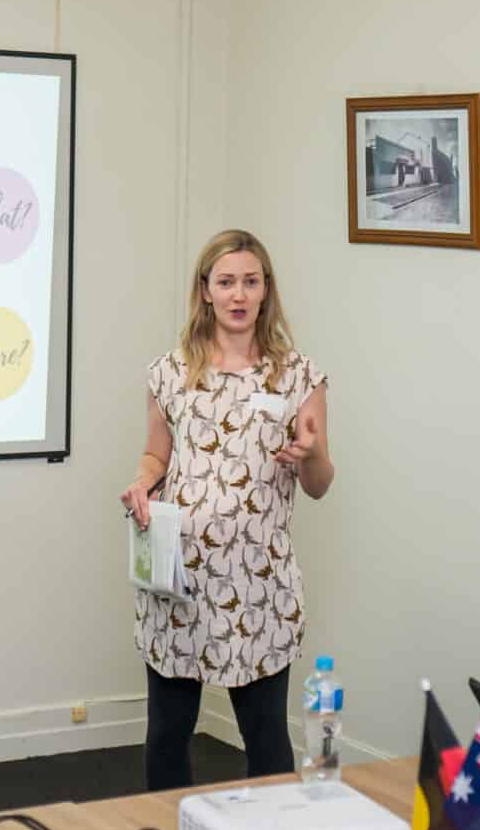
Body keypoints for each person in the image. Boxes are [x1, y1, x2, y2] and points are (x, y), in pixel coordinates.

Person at [122, 229, 332, 791]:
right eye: (226, 282)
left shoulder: (298, 376)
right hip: (178, 581)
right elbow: (155, 453)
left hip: (259, 587)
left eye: (250, 281)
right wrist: (143, 482)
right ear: (206, 291)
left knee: (264, 737)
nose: (239, 294)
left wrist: (310, 457)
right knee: (168, 731)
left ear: (266, 291)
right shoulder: (170, 372)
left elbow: (318, 484)